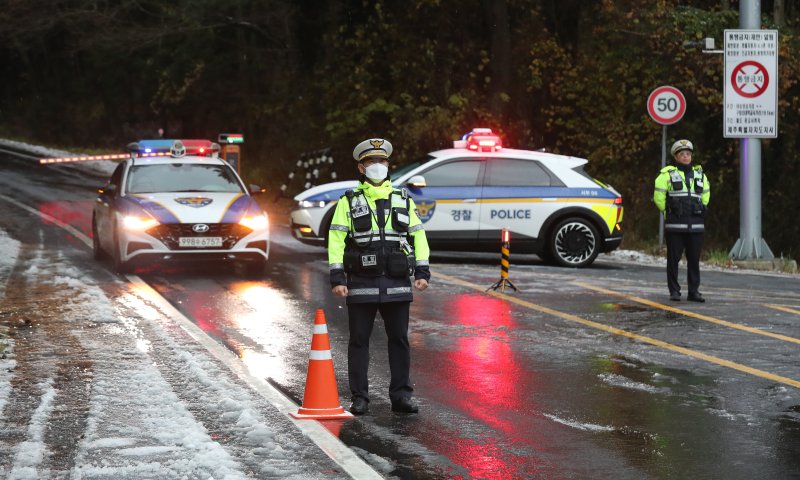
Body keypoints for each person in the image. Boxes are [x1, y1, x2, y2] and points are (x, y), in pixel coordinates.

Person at [328, 138, 431, 415]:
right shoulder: (348, 201)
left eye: (382, 161)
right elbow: (336, 238)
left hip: (397, 284)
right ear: (361, 168)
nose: (378, 166)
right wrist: (337, 276)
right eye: (371, 162)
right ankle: (359, 397)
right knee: (359, 341)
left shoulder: (403, 198)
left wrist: (422, 271)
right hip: (361, 282)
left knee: (399, 340)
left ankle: (401, 396)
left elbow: (418, 234)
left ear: (388, 165)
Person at [654, 139, 711, 302]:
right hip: (675, 225)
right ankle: (674, 291)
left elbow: (705, 196)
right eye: (682, 154)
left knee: (694, 260)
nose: (686, 157)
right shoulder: (666, 175)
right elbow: (658, 197)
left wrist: (702, 208)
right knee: (673, 260)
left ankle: (694, 291)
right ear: (676, 157)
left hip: (696, 226)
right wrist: (667, 211)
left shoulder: (700, 175)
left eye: (688, 154)